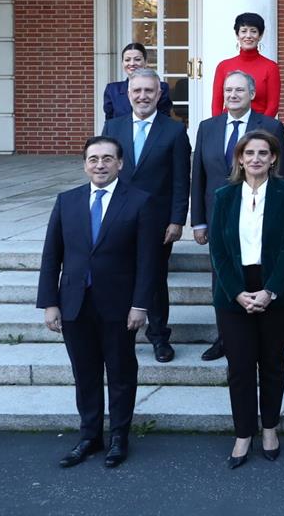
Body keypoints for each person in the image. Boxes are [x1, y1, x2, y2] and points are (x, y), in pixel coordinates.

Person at [36, 136, 158, 469]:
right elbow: (52, 256)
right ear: (85, 164)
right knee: (85, 374)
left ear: (120, 163)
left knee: (120, 374)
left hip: (119, 306)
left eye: (107, 158)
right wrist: (49, 302)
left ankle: (119, 437)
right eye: (93, 159)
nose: (100, 164)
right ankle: (90, 436)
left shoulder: (139, 201)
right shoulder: (67, 201)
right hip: (74, 304)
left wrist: (140, 305)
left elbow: (148, 261)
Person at [207, 130, 284, 468]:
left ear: (273, 158)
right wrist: (236, 291)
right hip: (233, 290)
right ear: (239, 158)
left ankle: (270, 428)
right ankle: (243, 432)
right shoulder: (224, 195)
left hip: (276, 287)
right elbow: (218, 249)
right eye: (249, 153)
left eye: (263, 153)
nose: (256, 159)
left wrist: (270, 290)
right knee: (240, 367)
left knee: (273, 364)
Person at [191, 70, 284, 362]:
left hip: (259, 213)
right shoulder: (207, 127)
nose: (232, 95)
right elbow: (199, 175)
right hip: (219, 215)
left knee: (259, 266)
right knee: (221, 273)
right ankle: (226, 337)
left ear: (252, 95)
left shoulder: (270, 126)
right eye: (228, 90)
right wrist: (198, 219)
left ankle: (263, 330)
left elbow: (281, 174)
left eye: (239, 90)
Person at [102, 68, 190, 364]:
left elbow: (181, 179)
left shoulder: (175, 130)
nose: (143, 96)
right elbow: (103, 174)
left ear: (159, 94)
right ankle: (120, 335)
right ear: (128, 94)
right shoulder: (112, 128)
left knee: (154, 278)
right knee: (117, 276)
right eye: (137, 91)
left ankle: (159, 336)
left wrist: (177, 220)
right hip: (118, 218)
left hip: (158, 221)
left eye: (148, 91)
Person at [210, 12, 281, 118]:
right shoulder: (223, 66)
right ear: (237, 35)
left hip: (258, 128)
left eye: (253, 31)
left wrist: (260, 131)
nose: (248, 36)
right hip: (229, 126)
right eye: (243, 31)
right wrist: (218, 127)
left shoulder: (271, 67)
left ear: (260, 36)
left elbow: (273, 105)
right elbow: (216, 104)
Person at [102, 42, 172, 120]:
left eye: (137, 59)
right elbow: (109, 121)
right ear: (122, 63)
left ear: (146, 62)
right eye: (127, 60)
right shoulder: (112, 90)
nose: (132, 63)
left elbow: (164, 118)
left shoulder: (161, 87)